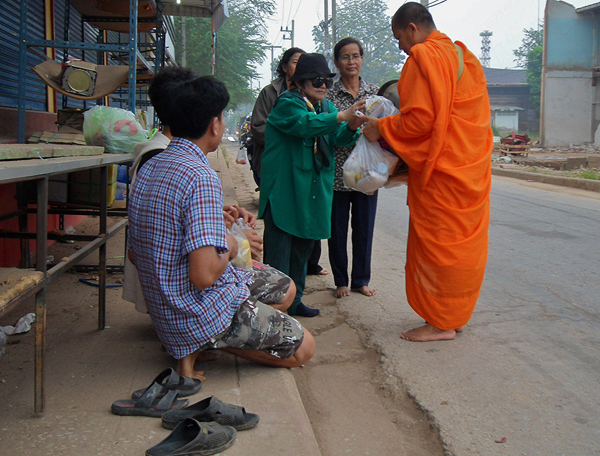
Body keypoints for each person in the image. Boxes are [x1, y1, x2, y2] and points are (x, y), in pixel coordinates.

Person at [128, 73, 315, 380]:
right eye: (223, 118)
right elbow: (202, 276)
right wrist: (229, 243)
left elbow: (138, 254)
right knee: (304, 349)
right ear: (214, 125)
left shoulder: (153, 164)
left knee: (286, 290)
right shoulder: (200, 177)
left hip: (165, 306)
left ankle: (200, 343)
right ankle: (204, 339)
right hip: (193, 310)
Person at [361, 2, 492, 342]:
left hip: (443, 174)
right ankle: (455, 316)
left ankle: (440, 323)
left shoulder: (423, 59)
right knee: (463, 247)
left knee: (440, 247)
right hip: (470, 168)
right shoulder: (466, 58)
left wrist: (381, 126)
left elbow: (419, 121)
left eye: (398, 38)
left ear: (412, 29)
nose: (400, 47)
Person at [123, 67, 267, 317]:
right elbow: (194, 265)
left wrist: (216, 216)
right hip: (178, 293)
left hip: (168, 285)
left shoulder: (163, 157)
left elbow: (172, 220)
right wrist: (234, 240)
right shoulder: (178, 164)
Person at [258, 53, 365, 318]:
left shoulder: (325, 108)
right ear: (300, 82)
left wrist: (352, 124)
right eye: (316, 80)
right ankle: (273, 308)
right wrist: (342, 115)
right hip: (285, 193)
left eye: (327, 80)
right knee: (279, 256)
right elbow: (305, 125)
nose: (323, 86)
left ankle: (295, 302)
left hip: (311, 194)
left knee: (302, 252)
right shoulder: (287, 104)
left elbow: (337, 137)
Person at [326, 37, 380, 299]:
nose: (351, 61)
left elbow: (383, 127)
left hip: (367, 171)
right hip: (337, 171)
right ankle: (340, 280)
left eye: (356, 56)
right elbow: (329, 132)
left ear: (361, 59)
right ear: (336, 62)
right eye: (345, 57)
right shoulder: (330, 95)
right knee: (337, 229)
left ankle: (360, 279)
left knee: (364, 227)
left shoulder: (374, 92)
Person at [250, 47, 305, 186]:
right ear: (285, 67)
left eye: (303, 63)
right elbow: (258, 126)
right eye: (295, 62)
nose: (299, 67)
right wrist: (285, 138)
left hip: (300, 162)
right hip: (272, 159)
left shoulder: (311, 93)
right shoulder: (269, 92)